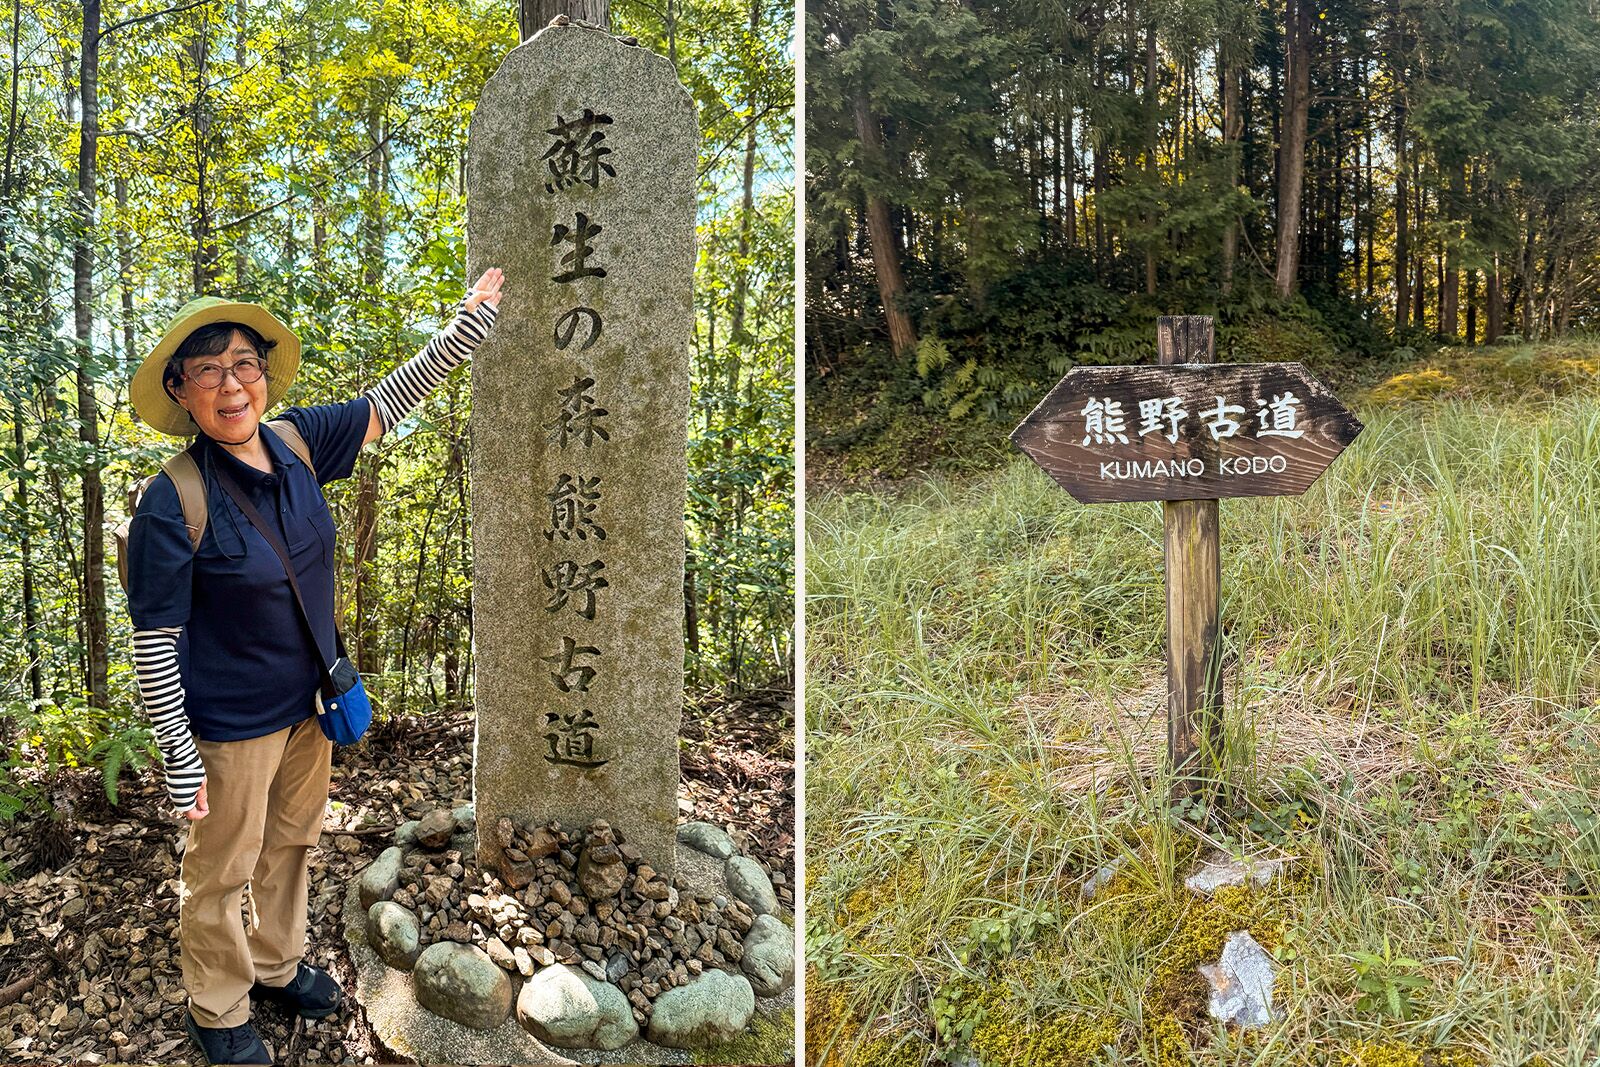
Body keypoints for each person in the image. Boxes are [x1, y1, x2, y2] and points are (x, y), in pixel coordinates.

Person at [125, 269, 504, 1065]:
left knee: (292, 842)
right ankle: (218, 1004)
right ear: (181, 390)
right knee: (221, 868)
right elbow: (154, 637)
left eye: (244, 364)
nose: (231, 385)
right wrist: (176, 749)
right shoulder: (174, 498)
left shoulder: (295, 443)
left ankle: (274, 964)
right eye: (208, 371)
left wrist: (466, 325)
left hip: (310, 702)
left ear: (262, 376)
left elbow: (389, 401)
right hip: (229, 726)